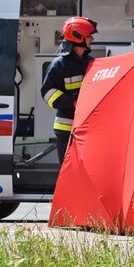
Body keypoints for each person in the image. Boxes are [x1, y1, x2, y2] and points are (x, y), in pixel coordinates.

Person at [41, 16, 98, 164]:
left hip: (87, 128)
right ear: (78, 38)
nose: (92, 38)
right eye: (88, 36)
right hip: (66, 129)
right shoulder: (60, 65)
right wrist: (72, 101)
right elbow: (47, 92)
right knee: (68, 172)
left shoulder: (90, 62)